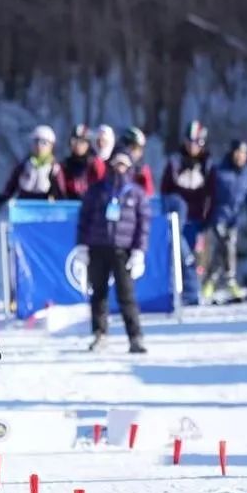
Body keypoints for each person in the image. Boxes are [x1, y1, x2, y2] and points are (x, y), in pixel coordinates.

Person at [77, 152, 150, 353]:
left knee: (126, 295)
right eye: (116, 163)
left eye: (124, 164)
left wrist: (139, 251)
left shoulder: (136, 193)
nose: (120, 167)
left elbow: (143, 225)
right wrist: (82, 246)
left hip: (123, 251)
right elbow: (84, 220)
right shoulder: (97, 190)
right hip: (97, 248)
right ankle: (100, 334)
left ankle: (135, 337)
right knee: (98, 294)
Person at [205, 140, 247, 299]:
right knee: (226, 245)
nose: (240, 157)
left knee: (223, 249)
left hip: (233, 219)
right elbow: (207, 194)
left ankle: (210, 281)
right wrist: (205, 216)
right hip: (218, 216)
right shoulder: (219, 171)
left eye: (243, 153)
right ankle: (230, 279)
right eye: (237, 153)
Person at [160, 120, 215, 252]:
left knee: (193, 260)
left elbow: (212, 195)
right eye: (189, 141)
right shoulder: (175, 163)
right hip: (176, 221)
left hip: (196, 222)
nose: (192, 146)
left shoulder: (207, 167)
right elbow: (164, 191)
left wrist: (206, 222)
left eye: (196, 143)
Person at [0, 125, 66, 208]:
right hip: (23, 209)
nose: (39, 146)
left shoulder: (54, 168)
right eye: (36, 141)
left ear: (51, 146)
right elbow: (11, 186)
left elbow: (60, 193)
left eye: (44, 143)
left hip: (45, 211)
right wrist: (2, 198)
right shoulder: (23, 165)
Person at [61, 124, 105, 200]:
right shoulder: (66, 165)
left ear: (88, 144)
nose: (78, 145)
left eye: (82, 142)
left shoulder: (95, 164)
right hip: (69, 205)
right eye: (75, 141)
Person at [119, 126, 155, 196]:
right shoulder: (114, 165)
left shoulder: (142, 169)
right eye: (134, 148)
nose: (138, 152)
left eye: (139, 149)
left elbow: (148, 194)